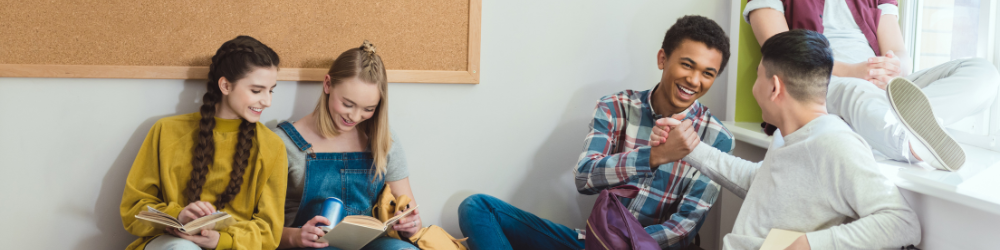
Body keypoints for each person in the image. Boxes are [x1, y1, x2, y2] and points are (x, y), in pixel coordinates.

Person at [458, 15, 734, 250]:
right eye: (687, 65)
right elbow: (585, 177)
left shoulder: (718, 137)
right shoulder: (616, 107)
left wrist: (624, 244)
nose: (695, 80)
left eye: (707, 73)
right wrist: (654, 156)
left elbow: (685, 225)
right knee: (478, 208)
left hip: (646, 248)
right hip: (596, 242)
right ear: (663, 58)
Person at [651, 29, 920, 249]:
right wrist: (691, 148)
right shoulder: (788, 136)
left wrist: (808, 244)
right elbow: (764, 182)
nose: (754, 88)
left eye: (757, 76)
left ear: (774, 86)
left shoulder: (837, 143)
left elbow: (901, 222)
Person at [746, 0, 1000, 170]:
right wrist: (854, 72)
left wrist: (891, 67)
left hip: (881, 83)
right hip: (820, 80)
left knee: (983, 72)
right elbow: (782, 54)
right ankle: (912, 144)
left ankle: (901, 126)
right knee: (854, 91)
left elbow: (899, 53)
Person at [120, 35, 288, 250]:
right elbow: (133, 209)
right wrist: (178, 214)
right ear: (225, 85)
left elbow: (269, 230)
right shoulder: (167, 131)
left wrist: (221, 240)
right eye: (256, 90)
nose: (267, 101)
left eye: (271, 90)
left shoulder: (272, 146)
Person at [274, 41, 420, 250]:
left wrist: (410, 225)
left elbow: (410, 210)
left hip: (372, 244)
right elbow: (259, 227)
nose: (354, 116)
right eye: (347, 104)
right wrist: (295, 237)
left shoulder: (383, 139)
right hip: (313, 245)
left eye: (368, 109)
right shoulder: (283, 143)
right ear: (327, 85)